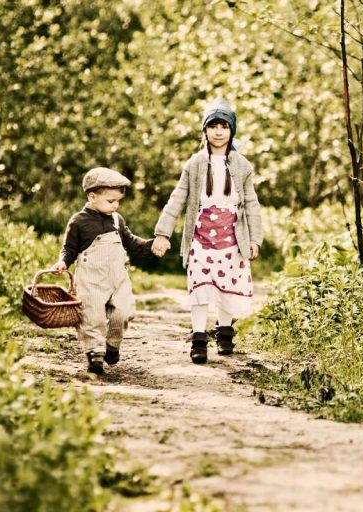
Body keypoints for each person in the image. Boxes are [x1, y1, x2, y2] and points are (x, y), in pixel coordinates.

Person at [151, 97, 263, 364]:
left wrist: (255, 239)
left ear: (231, 130)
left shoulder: (242, 165)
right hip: (201, 238)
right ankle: (199, 337)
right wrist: (162, 232)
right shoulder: (195, 164)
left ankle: (225, 332)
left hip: (233, 238)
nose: (218, 131)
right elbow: (177, 199)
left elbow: (251, 203)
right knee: (200, 286)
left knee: (227, 287)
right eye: (213, 126)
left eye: (224, 126)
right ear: (205, 130)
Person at [52, 167, 156, 375]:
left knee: (123, 312)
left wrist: (151, 245)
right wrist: (63, 262)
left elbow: (131, 242)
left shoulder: (117, 220)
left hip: (117, 277)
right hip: (91, 279)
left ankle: (112, 344)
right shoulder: (78, 222)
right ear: (92, 196)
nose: (115, 205)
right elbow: (69, 248)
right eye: (110, 201)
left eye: (118, 201)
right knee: (92, 316)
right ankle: (95, 355)